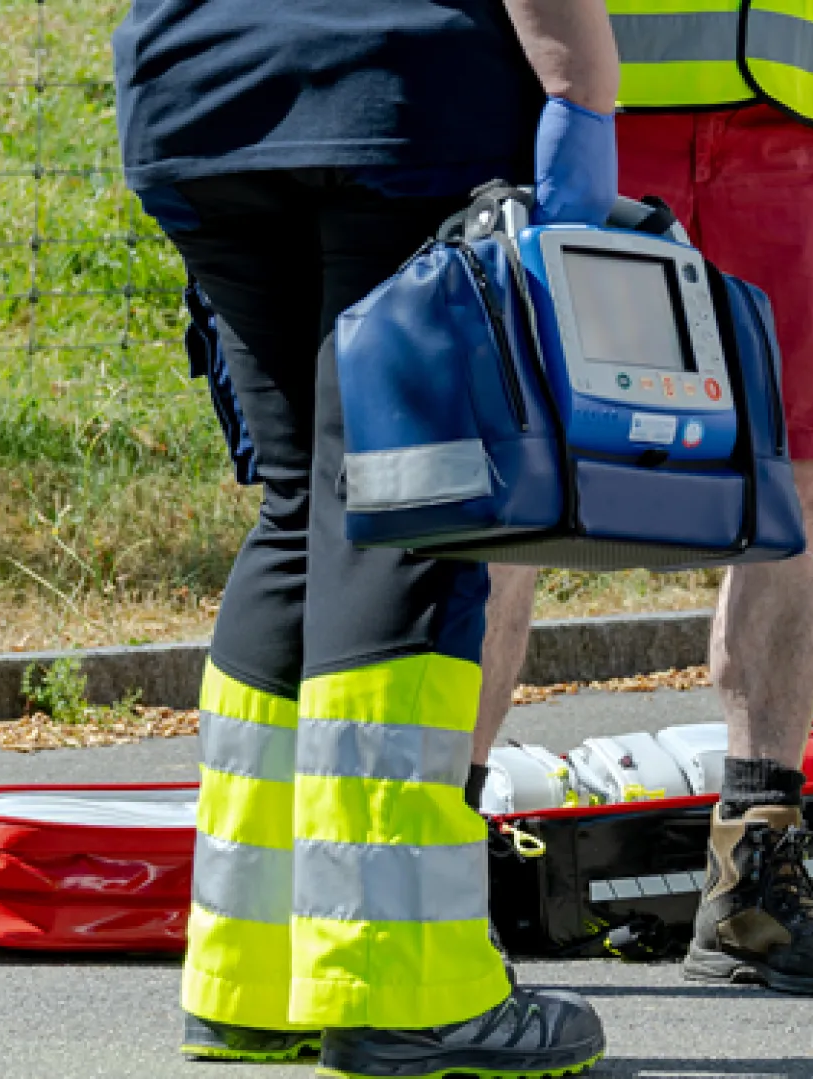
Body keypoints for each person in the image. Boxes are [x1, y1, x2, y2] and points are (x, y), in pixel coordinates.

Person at [115, 0, 619, 1073]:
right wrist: (583, 100)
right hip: (399, 98)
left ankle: (249, 981)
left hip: (194, 91)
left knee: (303, 507)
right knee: (408, 514)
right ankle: (407, 995)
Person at [470, 0, 813, 999]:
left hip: (800, 114)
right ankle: (441, 871)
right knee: (516, 495)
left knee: (793, 489)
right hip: (588, 99)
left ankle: (754, 878)